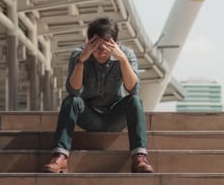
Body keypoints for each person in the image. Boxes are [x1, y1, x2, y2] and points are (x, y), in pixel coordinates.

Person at [43, 17, 154, 173]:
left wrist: (121, 59)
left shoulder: (126, 54)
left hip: (114, 116)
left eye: (106, 44)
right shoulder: (78, 54)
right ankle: (60, 156)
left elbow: (133, 89)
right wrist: (82, 60)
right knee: (71, 101)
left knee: (135, 101)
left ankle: (139, 157)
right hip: (89, 116)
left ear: (115, 43)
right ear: (89, 41)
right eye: (96, 44)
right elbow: (74, 90)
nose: (101, 49)